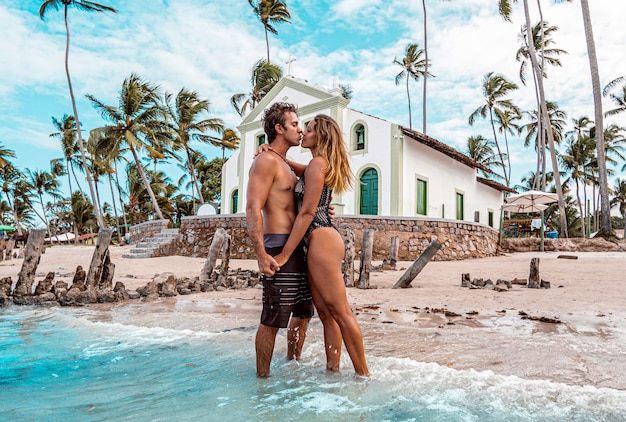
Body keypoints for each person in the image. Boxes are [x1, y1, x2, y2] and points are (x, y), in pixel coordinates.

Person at [271, 114, 369, 376]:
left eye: (310, 129)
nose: (304, 132)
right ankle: (332, 370)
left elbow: (307, 213)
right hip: (320, 237)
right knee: (326, 314)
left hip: (321, 237)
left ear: (321, 136)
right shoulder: (316, 165)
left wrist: (283, 255)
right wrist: (273, 154)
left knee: (341, 312)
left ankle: (364, 375)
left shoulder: (318, 163)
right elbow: (298, 171)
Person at [245, 102, 315, 378]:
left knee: (302, 313)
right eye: (295, 124)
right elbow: (252, 207)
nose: (300, 129)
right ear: (279, 128)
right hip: (277, 246)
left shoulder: (285, 163)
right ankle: (262, 381)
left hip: (301, 248)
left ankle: (291, 366)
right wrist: (261, 253)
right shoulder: (265, 161)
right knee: (273, 318)